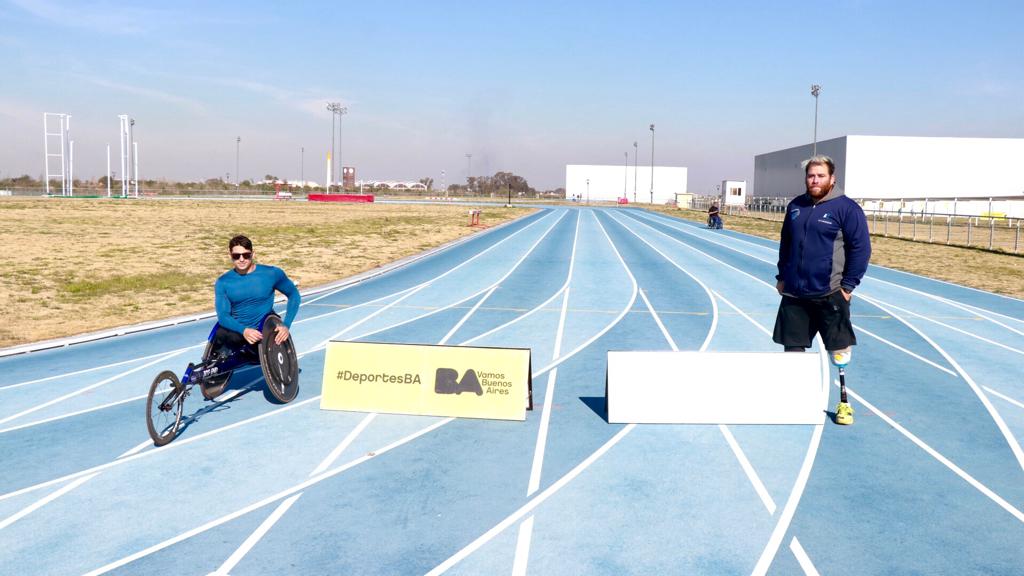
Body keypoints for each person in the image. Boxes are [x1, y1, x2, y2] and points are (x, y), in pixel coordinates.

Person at [773, 155, 871, 425]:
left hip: (830, 293)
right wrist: (782, 276)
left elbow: (861, 249)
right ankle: (797, 400)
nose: (814, 180)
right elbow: (786, 243)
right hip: (795, 294)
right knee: (793, 350)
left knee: (839, 353)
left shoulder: (847, 209)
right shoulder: (795, 206)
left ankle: (843, 403)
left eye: (820, 176)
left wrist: (848, 286)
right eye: (810, 176)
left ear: (832, 178)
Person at [211, 234, 301, 370]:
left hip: (265, 332)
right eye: (236, 256)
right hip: (239, 332)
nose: (241, 259)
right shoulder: (223, 282)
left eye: (246, 255)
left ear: (253, 254)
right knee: (221, 335)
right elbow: (223, 316)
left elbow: (294, 295)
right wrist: (244, 330)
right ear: (230, 255)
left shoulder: (272, 274)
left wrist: (286, 325)